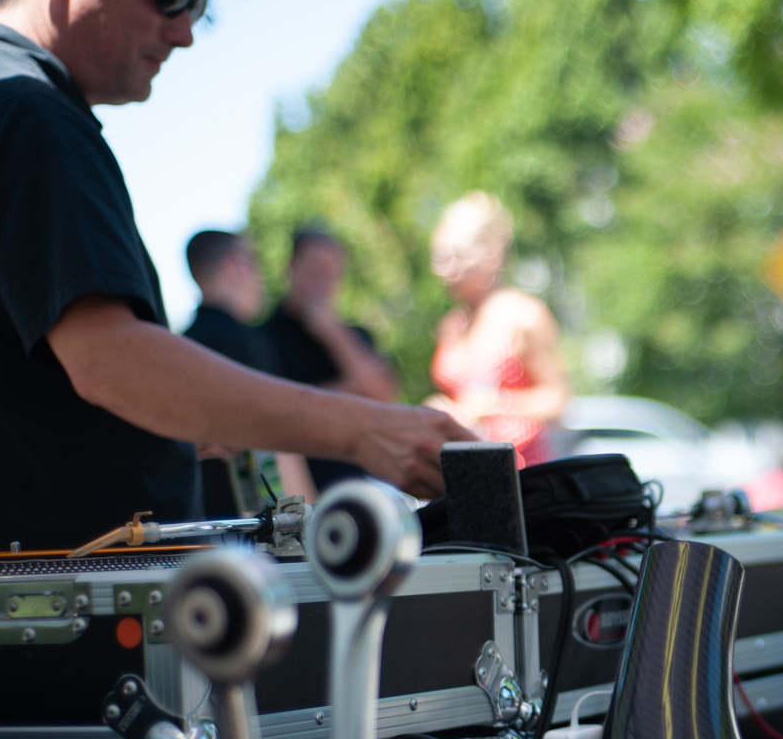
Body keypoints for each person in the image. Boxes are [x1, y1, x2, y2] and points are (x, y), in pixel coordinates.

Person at [0, 0, 470, 556]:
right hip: (49, 619)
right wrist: (370, 428)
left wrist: (164, 435)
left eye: (196, 1)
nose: (185, 29)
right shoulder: (24, 115)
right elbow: (111, 359)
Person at [424, 192, 570, 465]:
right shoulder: (452, 325)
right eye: (439, 258)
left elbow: (558, 399)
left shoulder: (524, 315)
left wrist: (497, 405)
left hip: (523, 473)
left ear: (491, 253)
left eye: (453, 256)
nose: (443, 270)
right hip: (470, 468)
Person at [181, 230, 317, 509]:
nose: (262, 280)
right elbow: (279, 438)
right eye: (256, 264)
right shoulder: (243, 341)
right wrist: (309, 521)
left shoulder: (181, 347)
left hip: (200, 521)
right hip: (253, 527)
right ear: (234, 265)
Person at [262, 229, 403, 492]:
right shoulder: (262, 337)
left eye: (332, 274)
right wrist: (349, 393)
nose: (323, 283)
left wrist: (334, 334)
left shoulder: (354, 336)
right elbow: (278, 409)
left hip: (356, 484)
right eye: (315, 271)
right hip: (298, 493)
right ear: (291, 268)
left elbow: (382, 393)